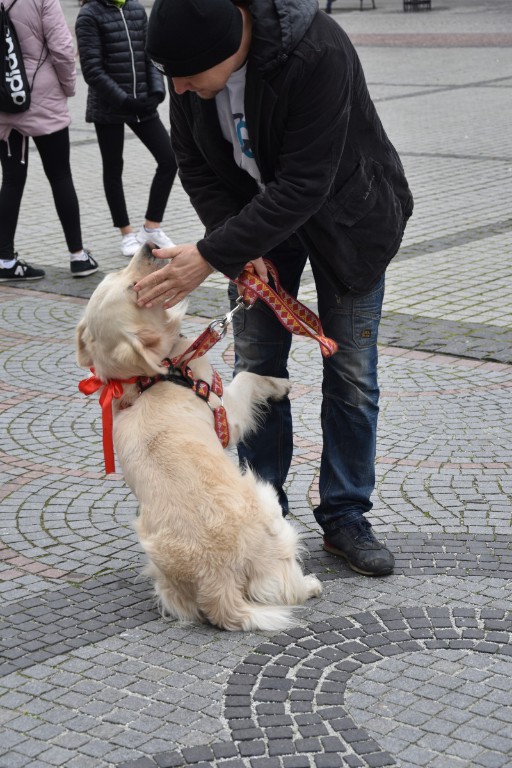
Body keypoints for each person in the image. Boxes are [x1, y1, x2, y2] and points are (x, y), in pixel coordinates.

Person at [136, 0, 414, 577]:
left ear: (227, 45)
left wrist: (210, 256)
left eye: (187, 77)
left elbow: (306, 182)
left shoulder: (317, 50)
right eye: (172, 79)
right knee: (258, 365)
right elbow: (196, 167)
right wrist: (237, 246)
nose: (179, 92)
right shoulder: (188, 77)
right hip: (255, 227)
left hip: (349, 220)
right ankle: (266, 514)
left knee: (353, 374)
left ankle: (345, 516)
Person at [0, 0, 98, 281]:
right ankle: (78, 257)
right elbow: (62, 48)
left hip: (5, 99)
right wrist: (67, 86)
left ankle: (5, 258)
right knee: (60, 175)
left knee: (11, 178)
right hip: (43, 98)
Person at [75, 0, 177, 258]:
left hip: (142, 103)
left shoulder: (135, 9)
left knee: (169, 159)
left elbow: (150, 54)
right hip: (108, 107)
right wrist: (123, 100)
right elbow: (92, 69)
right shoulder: (89, 14)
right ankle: (126, 233)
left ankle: (152, 227)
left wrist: (156, 91)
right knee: (113, 168)